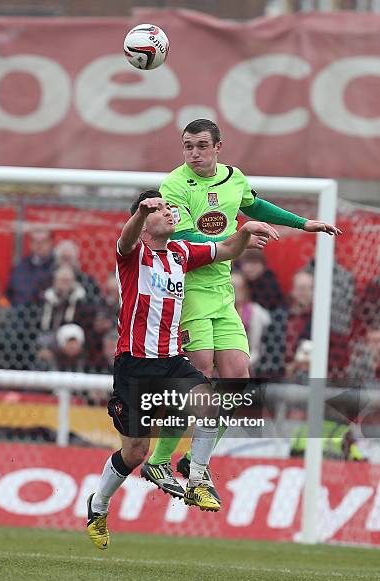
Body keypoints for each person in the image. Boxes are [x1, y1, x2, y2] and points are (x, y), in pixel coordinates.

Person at [141, 118, 342, 499]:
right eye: (188, 146)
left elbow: (253, 203)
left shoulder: (234, 178)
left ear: (219, 146)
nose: (194, 153)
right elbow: (183, 239)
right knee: (197, 377)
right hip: (190, 289)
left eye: (202, 145)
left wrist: (303, 222)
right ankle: (159, 458)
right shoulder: (174, 184)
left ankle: (195, 462)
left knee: (237, 378)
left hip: (222, 293)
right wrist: (237, 240)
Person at [87, 190, 269, 549]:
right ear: (143, 224)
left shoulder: (181, 253)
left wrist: (247, 231)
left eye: (170, 208)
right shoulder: (133, 254)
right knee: (136, 453)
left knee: (212, 403)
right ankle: (98, 504)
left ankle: (198, 479)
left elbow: (228, 249)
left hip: (171, 360)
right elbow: (124, 239)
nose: (169, 213)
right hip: (134, 366)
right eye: (162, 210)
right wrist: (141, 212)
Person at [231, 269, 271, 374]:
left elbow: (255, 349)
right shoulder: (219, 312)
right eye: (232, 287)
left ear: (245, 290)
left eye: (239, 288)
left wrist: (241, 366)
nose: (235, 291)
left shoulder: (255, 312)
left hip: (247, 366)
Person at [7, 229, 55, 306]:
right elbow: (10, 292)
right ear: (30, 243)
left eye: (43, 241)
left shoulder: (57, 267)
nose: (39, 245)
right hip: (20, 314)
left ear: (51, 243)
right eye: (35, 241)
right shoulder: (20, 267)